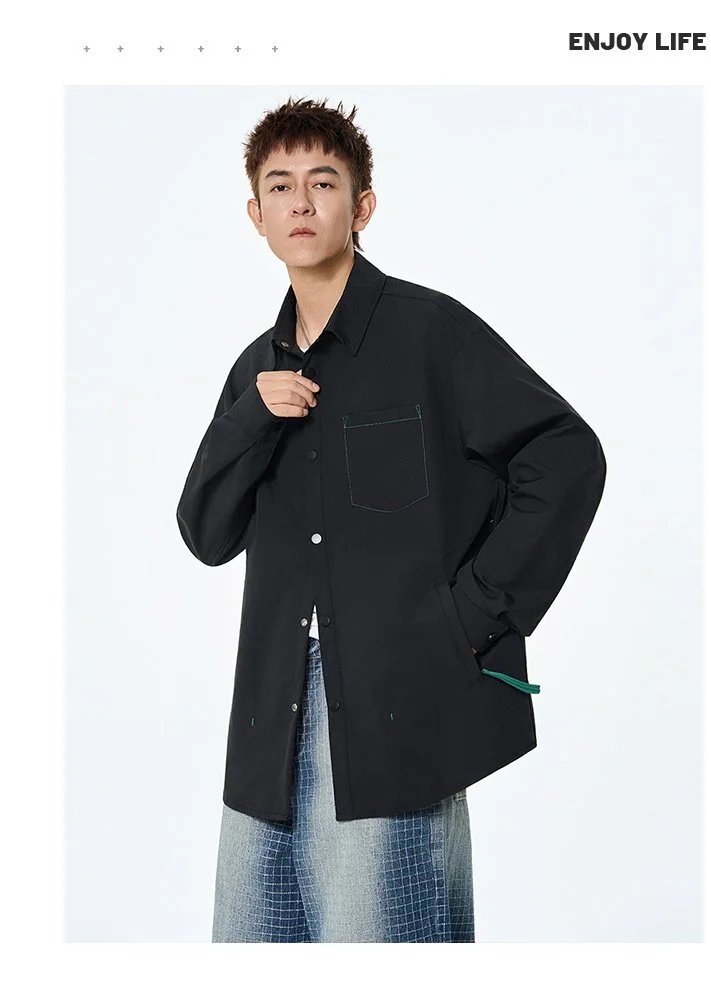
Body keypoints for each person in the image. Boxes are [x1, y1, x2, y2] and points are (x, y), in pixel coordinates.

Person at [176, 96, 607, 942]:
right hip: (267, 727)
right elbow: (206, 532)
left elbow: (565, 456)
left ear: (362, 206)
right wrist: (251, 417)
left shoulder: (428, 332)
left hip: (394, 712)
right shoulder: (256, 371)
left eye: (323, 182)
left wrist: (470, 618)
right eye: (280, 186)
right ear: (256, 215)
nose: (302, 202)